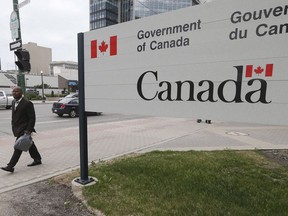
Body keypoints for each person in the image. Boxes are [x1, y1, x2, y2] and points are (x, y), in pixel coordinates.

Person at [1, 87, 42, 173]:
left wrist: (29, 130)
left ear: (21, 93)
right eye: (13, 91)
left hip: (24, 129)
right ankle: (37, 159)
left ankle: (10, 166)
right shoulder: (13, 102)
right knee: (30, 144)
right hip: (17, 128)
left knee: (19, 145)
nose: (14, 93)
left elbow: (32, 118)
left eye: (17, 91)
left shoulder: (27, 103)